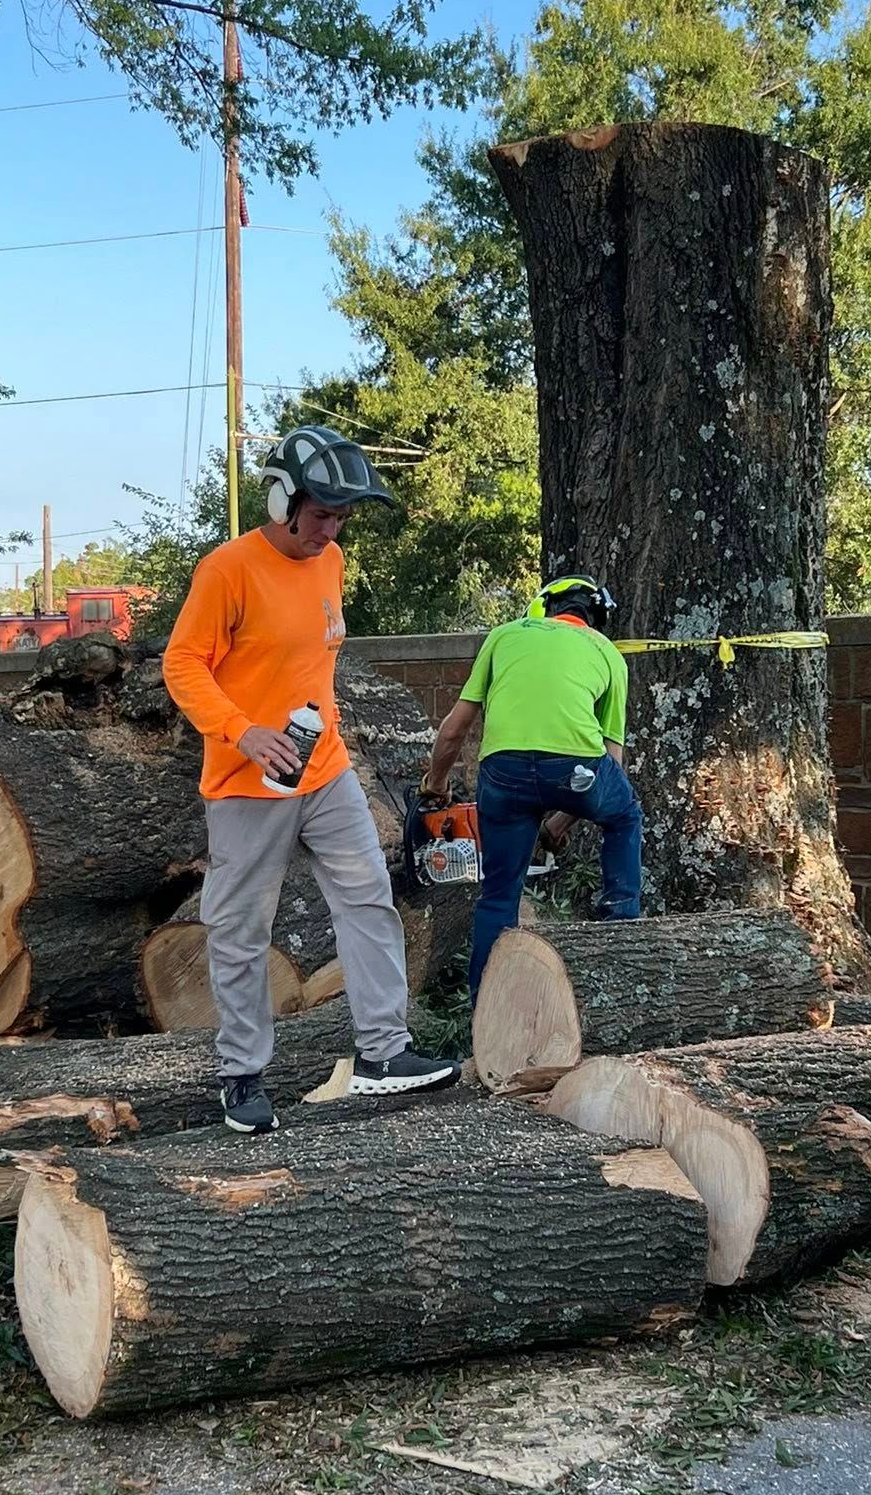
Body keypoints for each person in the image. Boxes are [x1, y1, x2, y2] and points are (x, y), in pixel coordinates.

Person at [163, 425, 458, 1133]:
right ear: (281, 501)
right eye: (322, 513)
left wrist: (321, 731)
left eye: (342, 517)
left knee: (368, 900)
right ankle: (241, 1077)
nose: (331, 529)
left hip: (324, 771)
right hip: (244, 783)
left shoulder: (332, 563)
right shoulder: (227, 570)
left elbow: (315, 664)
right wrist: (243, 730)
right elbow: (181, 665)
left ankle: (384, 1054)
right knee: (239, 929)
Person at [421, 575, 643, 1001]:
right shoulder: (608, 654)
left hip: (504, 773)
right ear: (595, 620)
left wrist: (435, 786)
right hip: (577, 769)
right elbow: (610, 764)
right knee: (625, 815)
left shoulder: (504, 636)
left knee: (498, 896)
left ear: (542, 606)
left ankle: (484, 1006)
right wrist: (561, 821)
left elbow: (453, 732)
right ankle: (620, 922)